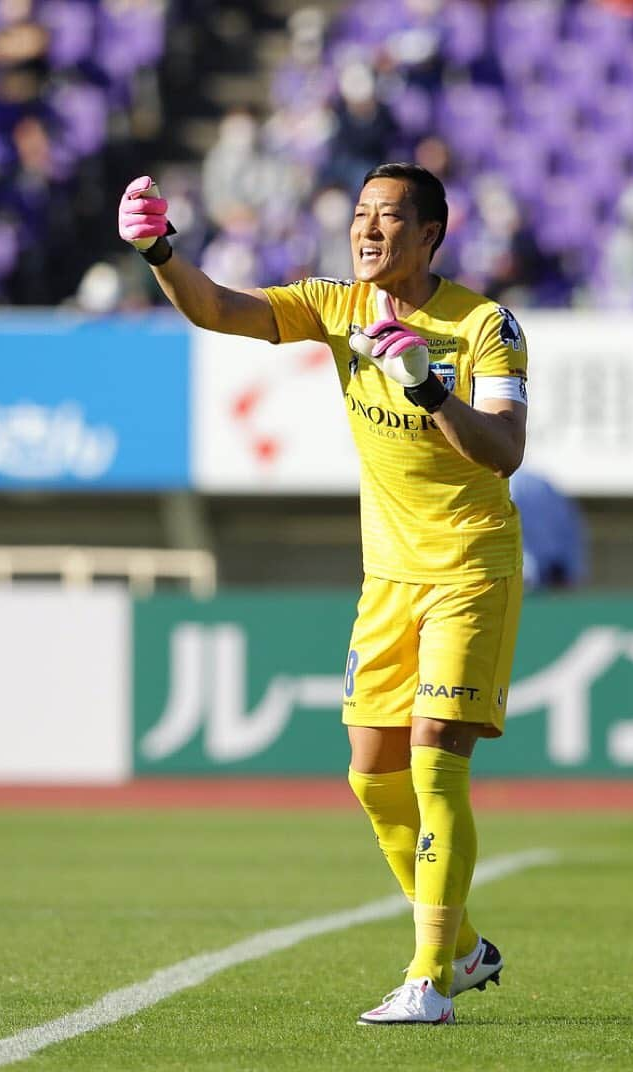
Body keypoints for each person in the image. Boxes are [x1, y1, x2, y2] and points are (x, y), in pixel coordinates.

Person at [118, 162, 528, 1026]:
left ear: (430, 237)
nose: (369, 231)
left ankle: (429, 980)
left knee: (433, 761)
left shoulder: (487, 327)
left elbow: (503, 450)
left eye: (390, 219)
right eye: (360, 216)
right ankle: (463, 945)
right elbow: (220, 309)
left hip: (469, 568)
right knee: (371, 775)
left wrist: (429, 384)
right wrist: (159, 251)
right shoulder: (338, 306)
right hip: (387, 578)